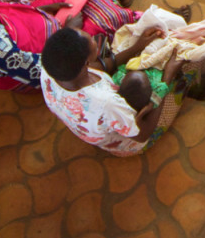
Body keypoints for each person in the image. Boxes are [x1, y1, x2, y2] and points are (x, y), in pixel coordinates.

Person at [40, 24, 184, 156]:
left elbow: (99, 68)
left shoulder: (50, 68)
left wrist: (137, 47)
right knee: (185, 65)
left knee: (138, 77)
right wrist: (167, 78)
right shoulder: (106, 103)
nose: (94, 39)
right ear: (86, 62)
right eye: (91, 39)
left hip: (95, 122)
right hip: (129, 143)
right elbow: (142, 134)